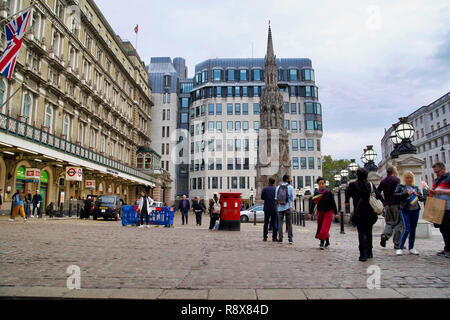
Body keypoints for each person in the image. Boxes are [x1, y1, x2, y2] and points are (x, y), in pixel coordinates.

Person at [345, 168, 384, 261]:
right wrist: (384, 203)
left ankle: (363, 254)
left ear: (357, 175)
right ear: (367, 176)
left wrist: (346, 201)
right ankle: (369, 252)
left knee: (361, 232)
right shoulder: (370, 185)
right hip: (370, 212)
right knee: (369, 232)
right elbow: (378, 195)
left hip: (359, 212)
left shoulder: (352, 185)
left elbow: (347, 195)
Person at [393, 171, 425, 256]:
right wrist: (406, 193)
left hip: (415, 210)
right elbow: (396, 195)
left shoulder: (416, 187)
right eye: (408, 178)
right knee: (406, 229)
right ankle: (400, 247)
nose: (409, 179)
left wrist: (418, 195)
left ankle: (411, 248)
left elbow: (422, 198)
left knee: (413, 230)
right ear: (404, 179)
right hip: (405, 210)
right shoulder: (401, 187)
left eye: (411, 178)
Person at [377, 165, 402, 249]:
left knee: (389, 222)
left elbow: (378, 191)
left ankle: (385, 235)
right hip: (396, 204)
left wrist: (383, 201)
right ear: (394, 171)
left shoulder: (383, 181)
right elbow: (399, 192)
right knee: (398, 223)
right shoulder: (397, 180)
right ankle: (397, 243)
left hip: (387, 205)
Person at [310, 177, 338, 249]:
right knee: (321, 227)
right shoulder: (317, 193)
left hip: (328, 212)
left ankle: (322, 243)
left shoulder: (329, 192)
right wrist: (310, 212)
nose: (322, 185)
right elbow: (313, 203)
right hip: (320, 212)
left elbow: (333, 203)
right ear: (318, 185)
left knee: (324, 228)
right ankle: (327, 242)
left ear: (325, 184)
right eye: (320, 184)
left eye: (323, 183)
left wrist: (336, 213)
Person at [429, 162, 450, 258]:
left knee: (449, 228)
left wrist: (441, 191)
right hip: (439, 207)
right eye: (435, 172)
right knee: (443, 229)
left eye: (437, 172)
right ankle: (447, 248)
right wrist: (433, 192)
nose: (436, 174)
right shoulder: (437, 179)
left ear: (443, 169)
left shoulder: (449, 178)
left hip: (448, 207)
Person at [275, 175, 295, 244]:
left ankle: (280, 239)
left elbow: (276, 198)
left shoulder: (278, 187)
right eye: (289, 178)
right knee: (289, 223)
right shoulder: (290, 187)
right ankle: (290, 239)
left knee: (280, 223)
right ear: (287, 179)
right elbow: (292, 198)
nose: (290, 179)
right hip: (288, 207)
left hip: (280, 208)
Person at [261, 177, 278, 242]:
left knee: (266, 223)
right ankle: (274, 237)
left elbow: (262, 197)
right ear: (274, 182)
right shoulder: (276, 189)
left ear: (268, 181)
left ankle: (265, 237)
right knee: (274, 224)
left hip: (267, 208)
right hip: (274, 208)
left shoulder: (265, 188)